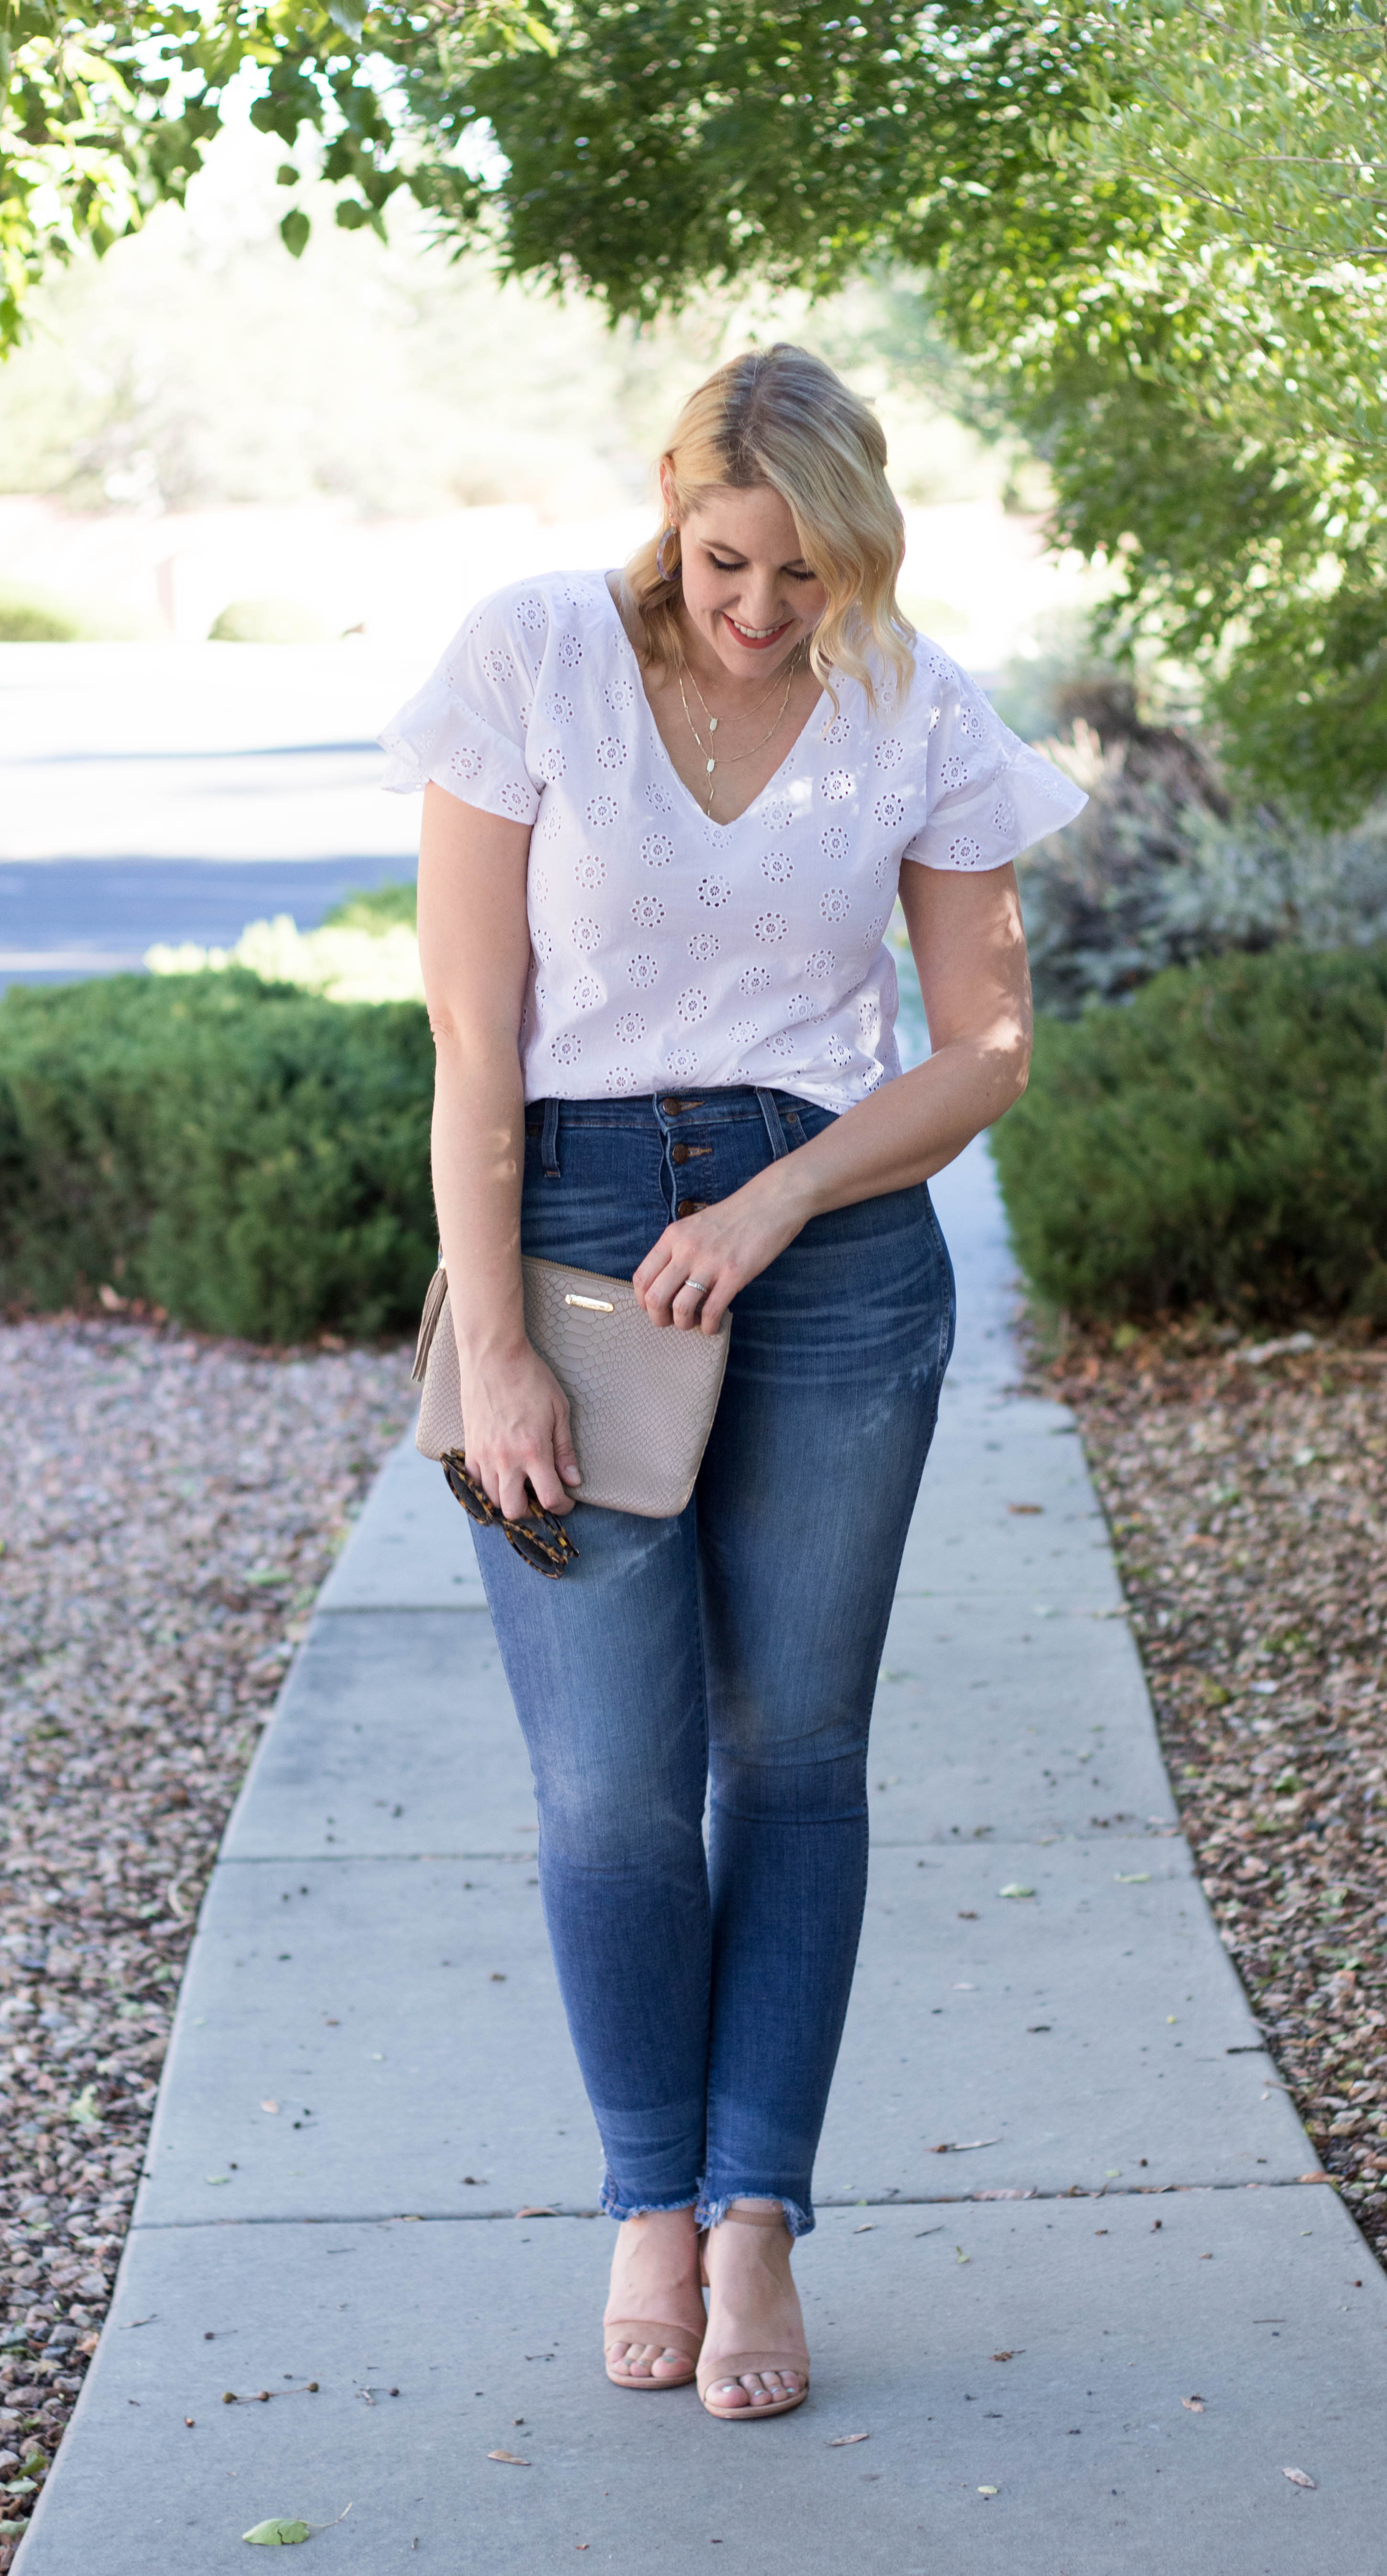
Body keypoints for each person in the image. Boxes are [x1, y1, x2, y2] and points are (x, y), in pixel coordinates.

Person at [380, 344, 1085, 2421]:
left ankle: (757, 2207)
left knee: (794, 1752)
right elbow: (473, 1042)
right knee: (609, 1774)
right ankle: (647, 2203)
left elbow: (981, 1050)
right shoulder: (529, 661)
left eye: (803, 576)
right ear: (668, 506)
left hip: (835, 1248)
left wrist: (779, 1200)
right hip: (577, 1229)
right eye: (725, 561)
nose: (761, 610)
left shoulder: (916, 706)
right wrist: (495, 1335)